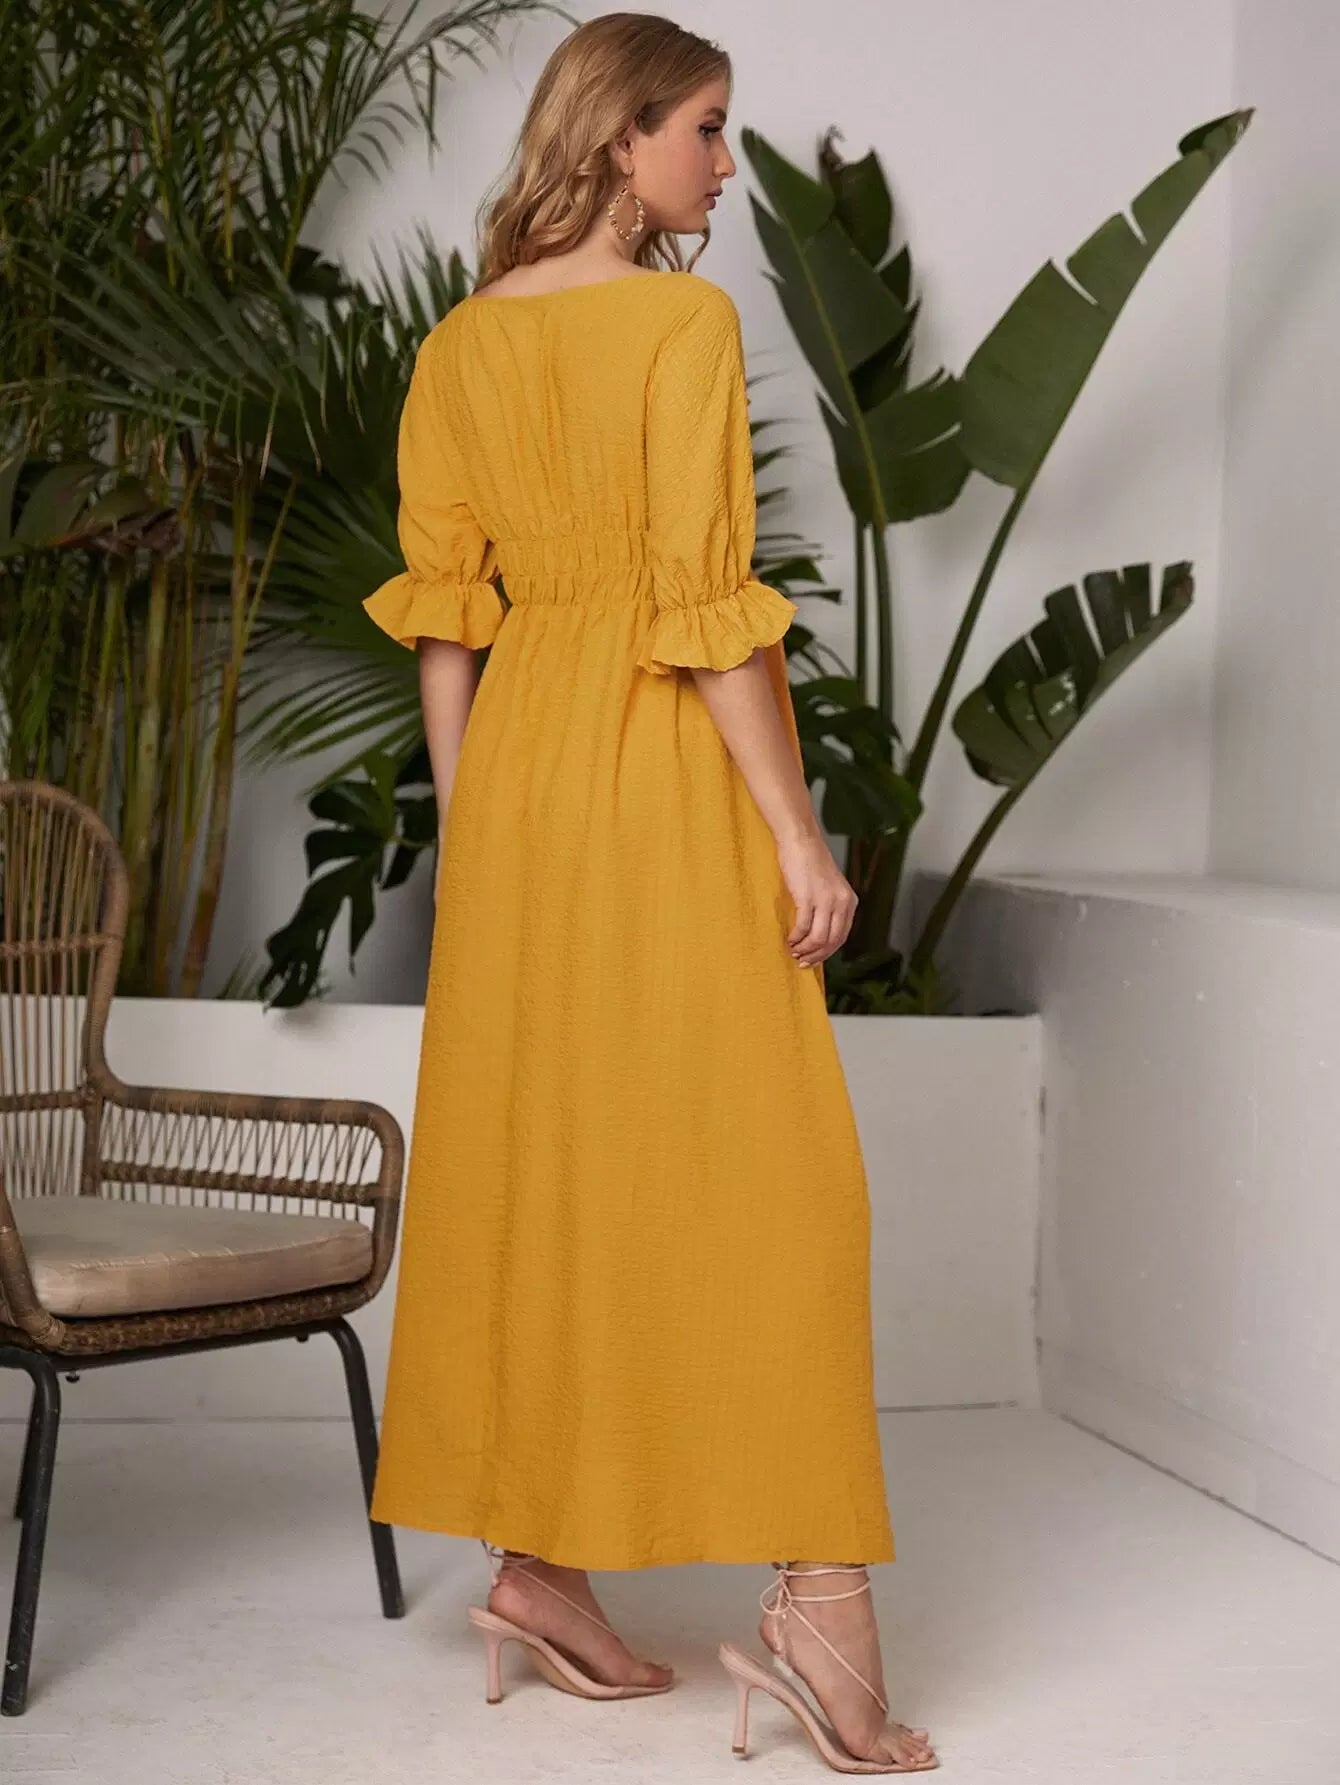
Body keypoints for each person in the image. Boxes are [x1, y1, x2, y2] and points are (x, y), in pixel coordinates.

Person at [362, 11, 937, 1775]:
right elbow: (708, 620)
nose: (721, 163)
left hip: (522, 787)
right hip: (659, 772)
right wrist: (799, 836)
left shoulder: (462, 344)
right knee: (775, 1164)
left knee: (556, 1161)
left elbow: (447, 622)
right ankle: (821, 1608)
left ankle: (537, 1565)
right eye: (703, 127)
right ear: (619, 138)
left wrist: (479, 824)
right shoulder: (681, 327)